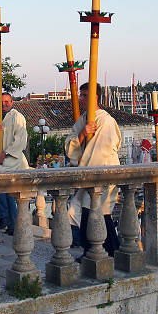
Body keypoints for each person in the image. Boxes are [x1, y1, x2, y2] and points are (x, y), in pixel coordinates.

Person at [65, 82, 122, 258]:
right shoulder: (82, 119)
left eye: (84, 96)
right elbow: (69, 146)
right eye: (80, 95)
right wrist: (83, 133)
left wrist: (84, 168)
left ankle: (109, 252)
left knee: (99, 212)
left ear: (94, 97)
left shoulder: (106, 120)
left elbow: (102, 150)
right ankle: (92, 250)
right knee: (87, 211)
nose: (81, 99)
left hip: (101, 172)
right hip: (87, 172)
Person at [0, 92, 30, 236]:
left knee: (9, 192)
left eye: (7, 101)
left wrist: (5, 154)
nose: (4, 104)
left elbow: (20, 140)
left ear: (12, 103)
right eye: (2, 102)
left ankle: (9, 221)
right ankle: (5, 218)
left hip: (13, 159)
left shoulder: (17, 117)